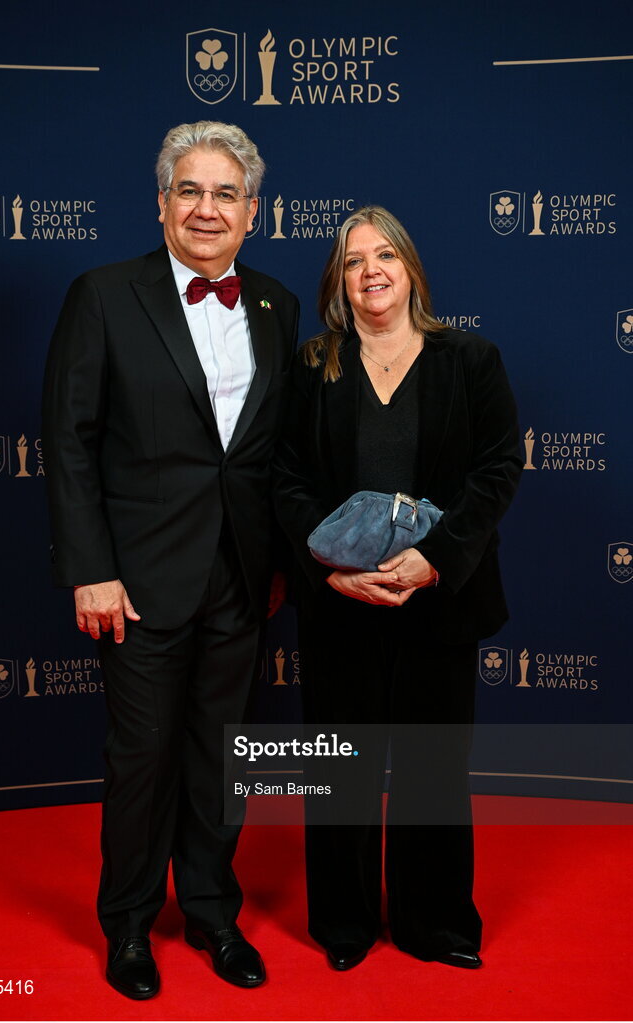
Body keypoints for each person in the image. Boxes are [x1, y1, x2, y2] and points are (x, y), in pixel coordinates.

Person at [41, 120, 299, 999]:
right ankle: (127, 926)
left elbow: (267, 454)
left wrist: (278, 564)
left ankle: (213, 912)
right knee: (141, 758)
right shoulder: (104, 295)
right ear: (160, 204)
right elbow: (68, 441)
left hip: (240, 578)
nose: (205, 207)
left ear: (253, 212)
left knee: (221, 755)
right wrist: (90, 567)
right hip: (139, 580)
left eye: (225, 193)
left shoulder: (276, 303)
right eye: (188, 190)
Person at [273, 205, 521, 971]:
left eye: (384, 256)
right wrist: (332, 569)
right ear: (337, 282)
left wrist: (435, 557)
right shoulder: (315, 366)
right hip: (341, 602)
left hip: (437, 599)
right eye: (353, 261)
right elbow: (284, 479)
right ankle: (344, 922)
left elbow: (497, 469)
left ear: (410, 268)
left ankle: (435, 922)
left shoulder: (468, 360)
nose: (370, 272)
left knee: (431, 768)